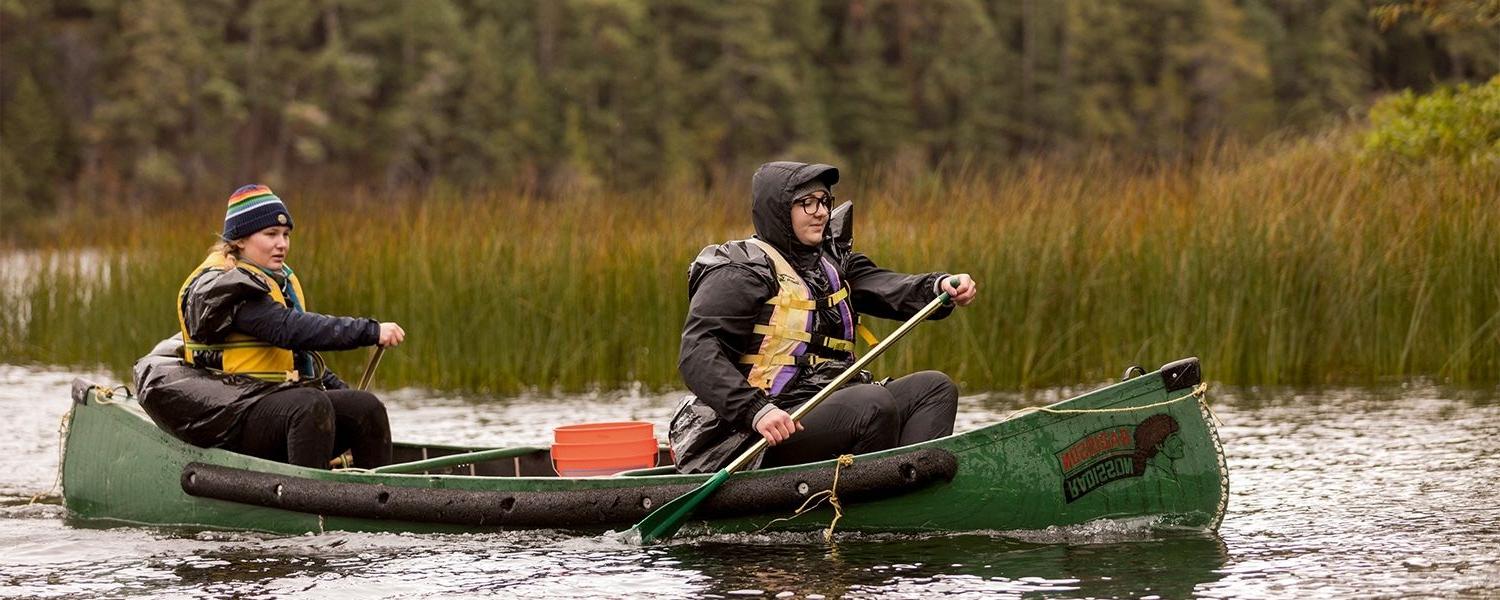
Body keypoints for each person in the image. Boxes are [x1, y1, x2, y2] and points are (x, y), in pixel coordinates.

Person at [670, 161, 978, 474]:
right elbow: (698, 352)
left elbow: (888, 287)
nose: (820, 212)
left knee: (934, 390)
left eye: (824, 201)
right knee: (872, 405)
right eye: (807, 203)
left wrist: (939, 286)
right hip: (758, 430)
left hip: (830, 405)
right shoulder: (740, 271)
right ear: (778, 209)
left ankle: (914, 488)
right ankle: (862, 502)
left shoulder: (832, 263)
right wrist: (756, 410)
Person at [133, 184, 405, 469]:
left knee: (366, 408)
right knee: (310, 405)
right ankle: (309, 502)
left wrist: (342, 390)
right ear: (239, 240)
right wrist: (370, 331)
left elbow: (297, 354)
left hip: (271, 401)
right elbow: (286, 329)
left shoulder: (274, 279)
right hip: (234, 412)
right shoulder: (227, 288)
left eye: (286, 235)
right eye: (271, 234)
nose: (282, 244)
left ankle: (377, 497)